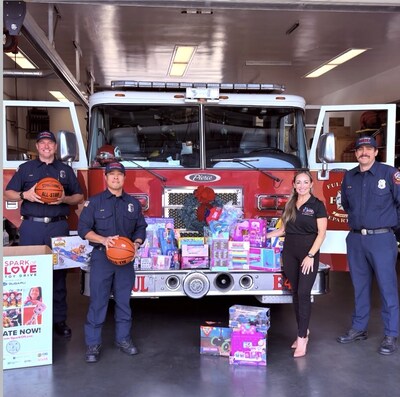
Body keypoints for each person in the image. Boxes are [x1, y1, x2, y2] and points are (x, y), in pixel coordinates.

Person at [4, 130, 84, 338]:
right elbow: (7, 193)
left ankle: (59, 320)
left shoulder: (65, 170)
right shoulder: (26, 169)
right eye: (42, 143)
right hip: (32, 227)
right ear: (37, 147)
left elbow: (79, 196)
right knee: (31, 274)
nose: (46, 146)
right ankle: (32, 320)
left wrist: (64, 199)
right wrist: (25, 194)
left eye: (50, 143)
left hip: (58, 227)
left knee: (58, 275)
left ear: (55, 147)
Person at [78, 161, 147, 363]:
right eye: (112, 174)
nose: (116, 178)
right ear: (106, 178)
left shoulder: (133, 204)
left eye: (119, 174)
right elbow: (83, 229)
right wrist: (103, 240)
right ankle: (92, 344)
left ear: (124, 178)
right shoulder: (95, 202)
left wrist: (136, 243)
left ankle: (123, 339)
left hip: (125, 261)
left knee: (123, 302)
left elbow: (141, 228)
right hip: (102, 258)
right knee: (98, 302)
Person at [337, 135, 400, 355]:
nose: (364, 152)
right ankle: (359, 328)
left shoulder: (390, 174)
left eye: (368, 149)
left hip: (382, 239)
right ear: (356, 153)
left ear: (375, 152)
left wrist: (395, 234)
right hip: (356, 240)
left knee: (387, 288)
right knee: (360, 286)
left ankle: (391, 334)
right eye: (360, 149)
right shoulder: (349, 176)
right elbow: (346, 204)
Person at [268, 170, 327, 358]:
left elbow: (322, 233)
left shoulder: (317, 206)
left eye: (305, 182)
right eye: (298, 182)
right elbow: (283, 230)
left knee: (303, 293)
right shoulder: (291, 203)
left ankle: (302, 338)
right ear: (294, 185)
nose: (302, 186)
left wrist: (310, 255)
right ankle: (303, 330)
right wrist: (261, 235)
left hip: (307, 254)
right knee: (295, 292)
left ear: (311, 184)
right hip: (290, 253)